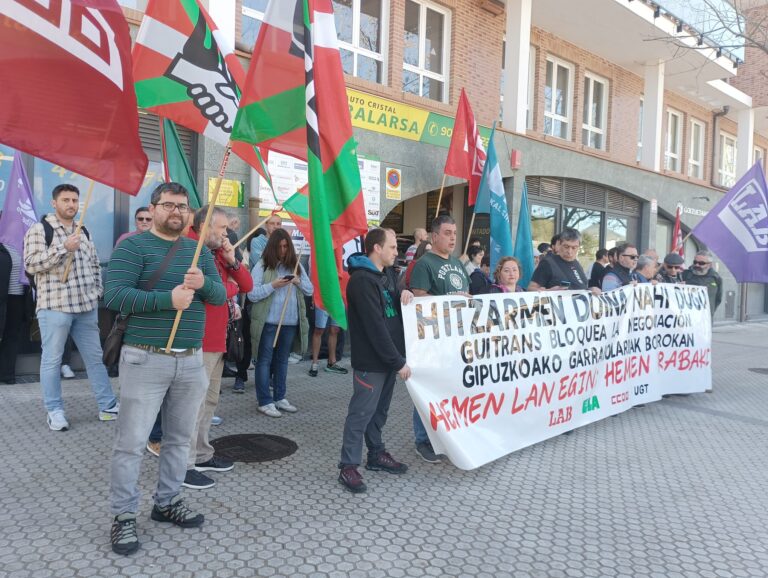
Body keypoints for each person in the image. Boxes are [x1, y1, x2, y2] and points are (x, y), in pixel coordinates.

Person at [104, 182, 226, 556]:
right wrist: (166, 299)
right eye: (169, 205)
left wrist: (205, 283)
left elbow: (220, 296)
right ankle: (123, 517)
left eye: (183, 206)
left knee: (178, 439)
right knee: (132, 444)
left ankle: (166, 502)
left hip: (190, 359)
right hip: (145, 357)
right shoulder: (133, 246)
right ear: (153, 209)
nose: (176, 212)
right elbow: (114, 294)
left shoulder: (198, 250)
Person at [23, 183, 119, 431]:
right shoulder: (40, 229)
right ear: (54, 203)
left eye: (75, 200)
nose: (71, 205)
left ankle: (108, 405)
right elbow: (32, 264)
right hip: (55, 306)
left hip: (86, 306)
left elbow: (95, 264)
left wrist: (97, 290)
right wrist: (63, 248)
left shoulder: (83, 230)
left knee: (95, 358)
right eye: (65, 200)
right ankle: (54, 411)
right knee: (52, 360)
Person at [183, 206, 253, 490]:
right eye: (222, 228)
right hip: (197, 341)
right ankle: (184, 464)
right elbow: (217, 292)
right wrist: (229, 287)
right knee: (192, 406)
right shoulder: (190, 247)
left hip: (218, 341)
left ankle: (201, 454)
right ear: (204, 226)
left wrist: (232, 261)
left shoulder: (216, 252)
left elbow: (245, 284)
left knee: (209, 402)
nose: (226, 234)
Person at [338, 228, 413, 493]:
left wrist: (407, 295)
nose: (397, 252)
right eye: (392, 247)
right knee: (360, 414)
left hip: (389, 360)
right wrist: (398, 362)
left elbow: (393, 312)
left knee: (379, 412)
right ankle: (348, 466)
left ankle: (376, 455)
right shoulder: (361, 281)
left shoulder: (388, 276)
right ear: (377, 248)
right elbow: (376, 327)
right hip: (372, 362)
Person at [409, 215, 470, 462]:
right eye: (447, 232)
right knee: (427, 389)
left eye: (454, 232)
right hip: (432, 340)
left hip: (455, 339)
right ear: (434, 237)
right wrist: (452, 299)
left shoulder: (457, 263)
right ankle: (423, 440)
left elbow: (465, 294)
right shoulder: (425, 264)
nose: (453, 237)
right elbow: (418, 298)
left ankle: (444, 434)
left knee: (448, 388)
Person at [247, 229, 313, 418]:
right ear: (272, 247)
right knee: (264, 361)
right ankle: (264, 401)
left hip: (290, 322)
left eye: (286, 246)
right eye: (279, 247)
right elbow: (252, 293)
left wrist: (298, 281)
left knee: (282, 361)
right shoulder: (262, 266)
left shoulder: (296, 266)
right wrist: (273, 286)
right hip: (268, 322)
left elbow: (310, 290)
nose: (283, 250)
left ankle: (279, 397)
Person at [527, 228, 597, 294]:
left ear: (579, 247)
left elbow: (579, 287)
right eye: (566, 247)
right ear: (559, 244)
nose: (569, 251)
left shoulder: (577, 263)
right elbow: (531, 288)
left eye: (574, 248)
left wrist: (591, 290)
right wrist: (549, 291)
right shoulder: (548, 262)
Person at [0, 241, 32, 384]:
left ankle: (8, 374)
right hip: (2, 297)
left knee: (12, 336)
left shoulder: (22, 244)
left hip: (18, 298)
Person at [308, 306, 348, 377]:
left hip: (337, 300)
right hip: (322, 299)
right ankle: (314, 364)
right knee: (319, 330)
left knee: (335, 329)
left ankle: (331, 363)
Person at [682, 250, 722, 318]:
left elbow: (718, 299)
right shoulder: (685, 274)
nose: (697, 265)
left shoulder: (716, 278)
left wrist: (710, 312)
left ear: (710, 264)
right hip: (686, 317)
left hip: (705, 318)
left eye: (701, 263)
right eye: (695, 262)